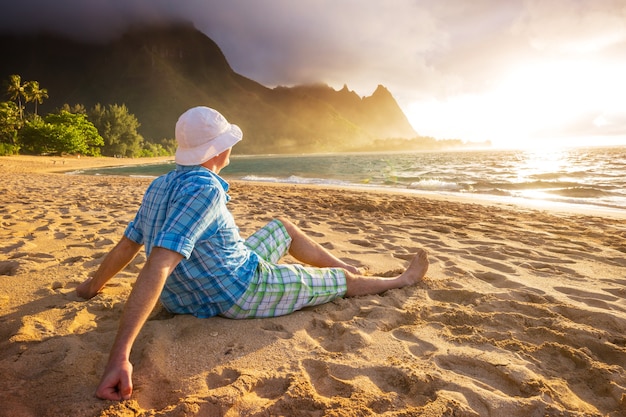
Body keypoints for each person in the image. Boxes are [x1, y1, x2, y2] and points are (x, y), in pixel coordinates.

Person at [76, 106, 429, 401]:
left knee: (283, 228)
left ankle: (343, 263)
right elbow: (159, 263)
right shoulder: (206, 191)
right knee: (340, 282)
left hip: (187, 294)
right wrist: (119, 356)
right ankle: (398, 279)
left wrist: (92, 286)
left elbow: (128, 244)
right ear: (219, 150)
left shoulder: (160, 185)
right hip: (237, 289)